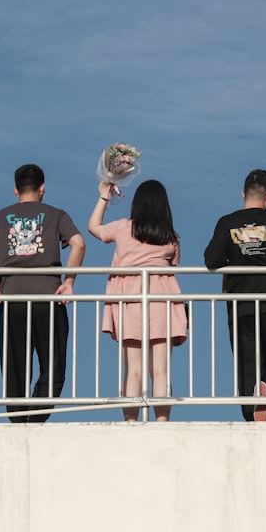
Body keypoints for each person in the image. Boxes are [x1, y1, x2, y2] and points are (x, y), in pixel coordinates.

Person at [0, 163, 86, 423]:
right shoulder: (56, 214)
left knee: (15, 366)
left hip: (12, 299)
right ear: (42, 188)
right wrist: (69, 281)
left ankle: (19, 422)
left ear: (15, 190)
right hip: (49, 297)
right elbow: (78, 243)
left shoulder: (0, 217)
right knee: (53, 365)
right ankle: (36, 419)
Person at [88, 179, 187, 422]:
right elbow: (173, 266)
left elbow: (94, 228)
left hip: (129, 299)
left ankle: (131, 422)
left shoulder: (123, 228)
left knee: (133, 369)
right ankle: (162, 422)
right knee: (161, 369)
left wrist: (104, 197)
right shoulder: (171, 237)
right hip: (161, 297)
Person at [204, 169, 266, 422]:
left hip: (241, 302)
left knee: (247, 363)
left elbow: (210, 259)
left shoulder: (227, 223)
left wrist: (235, 256)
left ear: (243, 194)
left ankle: (250, 415)